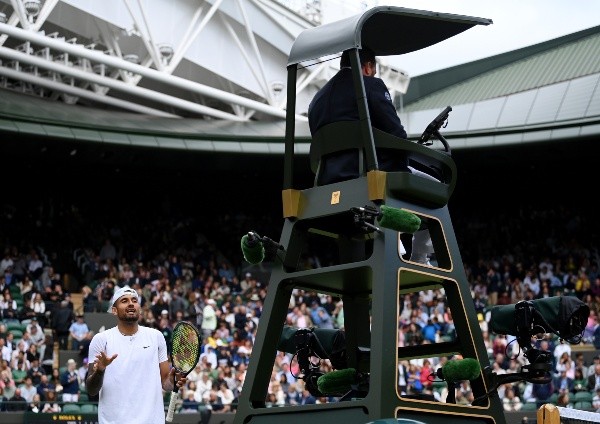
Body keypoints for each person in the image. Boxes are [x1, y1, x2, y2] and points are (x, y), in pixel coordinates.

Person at [307, 46, 434, 265]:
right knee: (436, 187)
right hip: (369, 178)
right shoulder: (370, 85)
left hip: (327, 183)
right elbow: (397, 134)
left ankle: (393, 240)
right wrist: (404, 162)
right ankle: (420, 256)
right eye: (373, 71)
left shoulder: (315, 101)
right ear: (367, 67)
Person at [85, 285, 186, 424]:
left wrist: (173, 380)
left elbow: (166, 384)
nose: (131, 303)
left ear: (139, 308)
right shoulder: (101, 340)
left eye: (134, 300)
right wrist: (100, 371)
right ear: (114, 310)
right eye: (124, 301)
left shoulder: (156, 337)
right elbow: (91, 390)